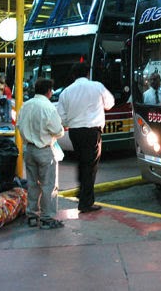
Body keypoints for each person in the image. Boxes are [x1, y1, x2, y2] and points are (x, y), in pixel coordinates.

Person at [56, 62, 114, 213]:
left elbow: (61, 117)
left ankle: (82, 192)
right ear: (88, 73)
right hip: (92, 131)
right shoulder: (97, 86)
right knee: (90, 166)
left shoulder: (66, 92)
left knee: (82, 163)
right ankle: (86, 202)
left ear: (74, 75)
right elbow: (110, 103)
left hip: (75, 132)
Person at [17, 78, 65, 229]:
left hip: (29, 149)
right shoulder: (48, 107)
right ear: (49, 91)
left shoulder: (25, 105)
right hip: (44, 150)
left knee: (32, 184)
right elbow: (58, 130)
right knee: (48, 185)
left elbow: (18, 124)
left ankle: (32, 215)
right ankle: (46, 218)